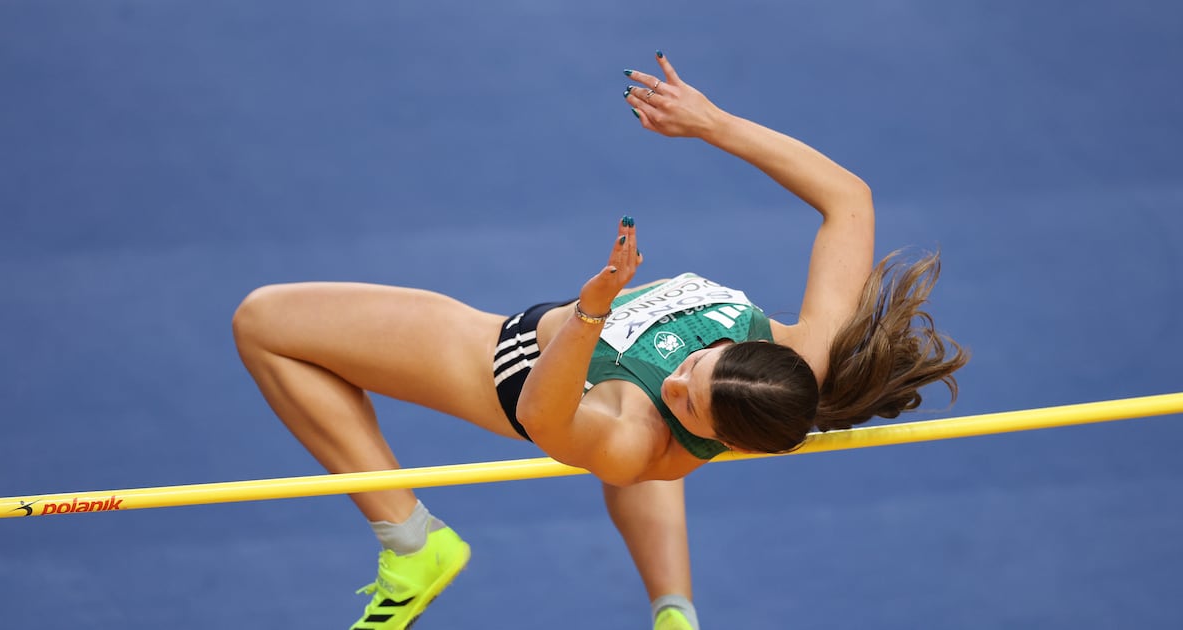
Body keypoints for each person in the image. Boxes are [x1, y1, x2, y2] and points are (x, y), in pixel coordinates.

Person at [232, 51, 969, 630]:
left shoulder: (633, 436)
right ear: (752, 355)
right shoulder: (794, 368)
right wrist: (712, 123)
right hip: (632, 396)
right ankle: (675, 613)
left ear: (721, 440)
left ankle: (412, 544)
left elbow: (548, 421)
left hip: (516, 365)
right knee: (651, 458)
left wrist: (591, 313)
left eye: (689, 402)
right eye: (700, 366)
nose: (680, 376)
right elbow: (848, 199)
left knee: (265, 323)